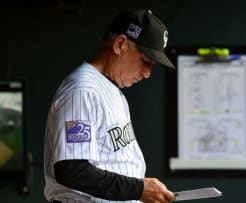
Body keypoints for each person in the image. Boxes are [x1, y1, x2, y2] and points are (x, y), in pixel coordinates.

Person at [43, 9, 177, 203]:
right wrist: (139, 189)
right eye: (145, 61)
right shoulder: (83, 90)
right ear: (120, 44)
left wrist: (139, 193)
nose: (147, 73)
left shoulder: (111, 89)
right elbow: (72, 169)